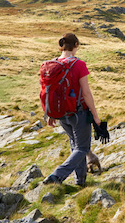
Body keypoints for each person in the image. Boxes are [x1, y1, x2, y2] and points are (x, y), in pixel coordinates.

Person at [43, 33, 109, 187]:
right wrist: (95, 116)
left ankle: (80, 182)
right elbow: (86, 93)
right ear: (76, 45)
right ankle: (56, 176)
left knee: (75, 146)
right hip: (78, 113)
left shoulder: (53, 64)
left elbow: (49, 91)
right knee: (82, 148)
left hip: (61, 114)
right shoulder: (78, 64)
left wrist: (50, 113)